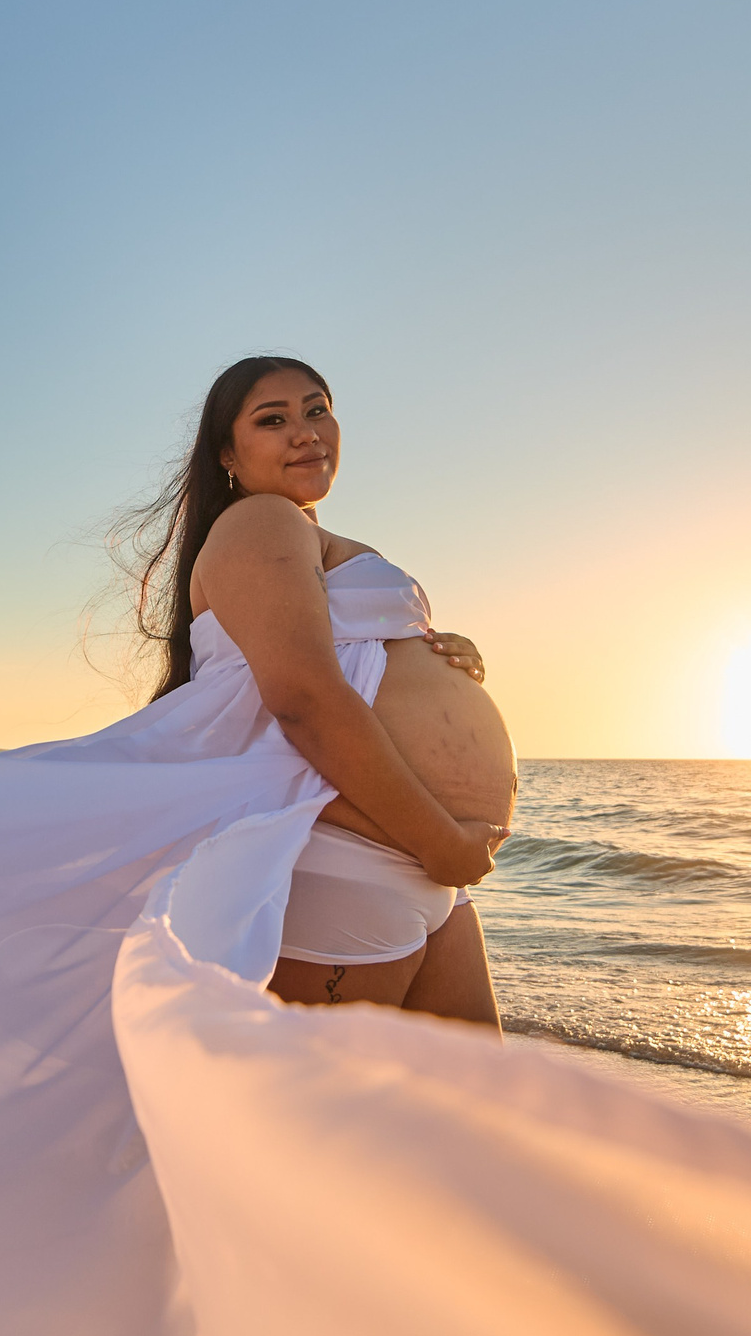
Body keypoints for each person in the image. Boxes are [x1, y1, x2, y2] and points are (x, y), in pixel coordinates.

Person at [123, 355, 517, 1027]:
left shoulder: (301, 532)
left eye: (317, 409)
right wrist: (440, 842)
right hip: (360, 862)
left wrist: (437, 652)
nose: (306, 431)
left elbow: (338, 657)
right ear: (228, 452)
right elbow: (302, 701)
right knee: (322, 1129)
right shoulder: (263, 520)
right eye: (272, 420)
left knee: (472, 1124)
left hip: (410, 869)